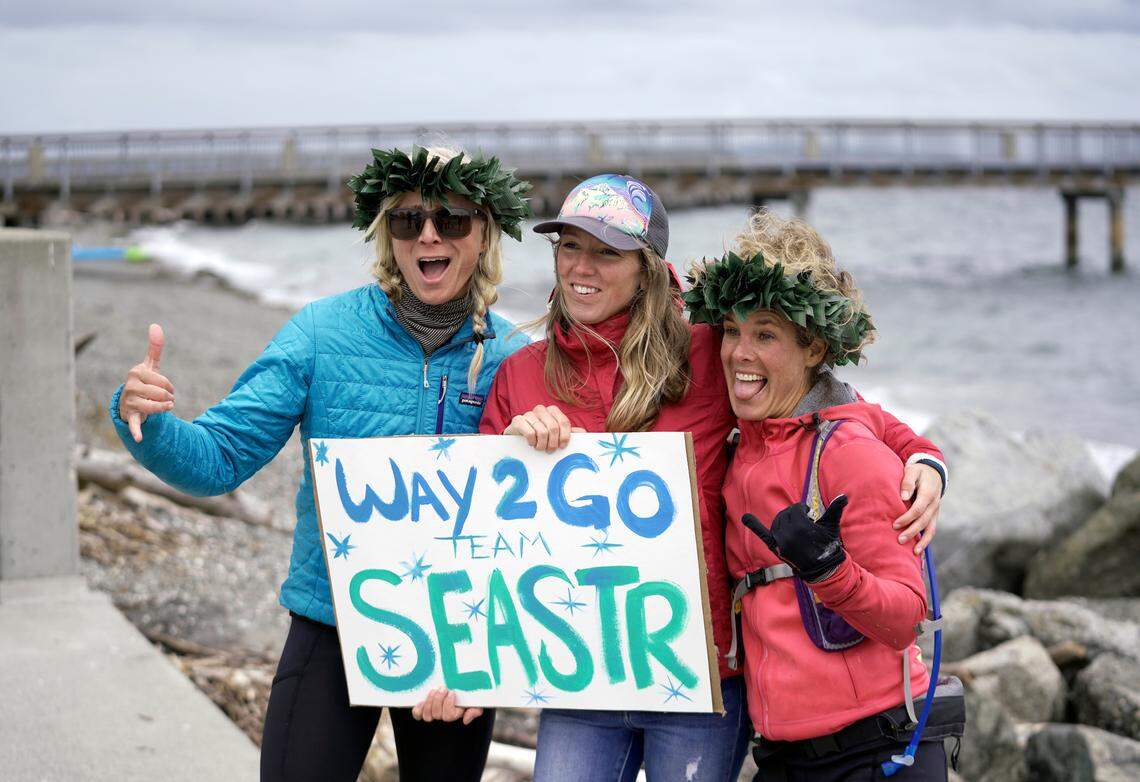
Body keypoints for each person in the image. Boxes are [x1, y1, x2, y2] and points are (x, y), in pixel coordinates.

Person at [414, 175, 947, 781]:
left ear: (646, 269)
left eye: (606, 251)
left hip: (699, 677)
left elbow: (829, 405)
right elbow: (482, 540)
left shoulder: (710, 353)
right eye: (568, 247)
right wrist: (464, 664)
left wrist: (923, 457)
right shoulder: (522, 377)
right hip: (577, 675)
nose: (580, 267)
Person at [109, 145, 532, 782]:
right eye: (407, 220)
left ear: (485, 235)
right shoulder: (321, 333)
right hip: (333, 616)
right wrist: (147, 421)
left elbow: (541, 518)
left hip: (457, 634)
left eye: (452, 220)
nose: (428, 235)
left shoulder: (512, 355)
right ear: (386, 234)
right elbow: (220, 459)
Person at [686, 211, 953, 780]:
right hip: (782, 756)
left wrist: (830, 570)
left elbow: (908, 618)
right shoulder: (740, 444)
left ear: (813, 349)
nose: (738, 353)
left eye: (765, 334)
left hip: (876, 749)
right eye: (731, 331)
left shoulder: (848, 451)